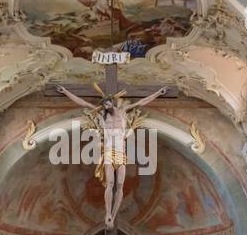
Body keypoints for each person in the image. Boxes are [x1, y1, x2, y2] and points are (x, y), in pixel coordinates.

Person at [56, 84, 167, 227]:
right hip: (109, 152)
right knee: (110, 184)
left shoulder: (123, 111)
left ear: (112, 101)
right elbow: (82, 102)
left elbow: (141, 102)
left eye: (107, 102)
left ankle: (113, 216)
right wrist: (65, 91)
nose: (105, 105)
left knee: (120, 184)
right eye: (103, 104)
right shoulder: (102, 115)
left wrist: (158, 93)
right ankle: (107, 213)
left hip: (121, 152)